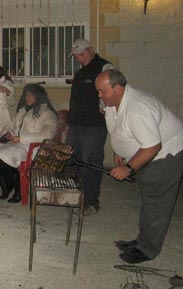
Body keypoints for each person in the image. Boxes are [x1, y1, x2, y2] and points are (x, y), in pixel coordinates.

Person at [96, 69, 183, 264]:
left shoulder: (138, 108)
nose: (99, 96)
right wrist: (119, 152)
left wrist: (129, 168)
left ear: (117, 88)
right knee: (148, 200)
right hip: (147, 155)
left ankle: (148, 249)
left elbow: (153, 146)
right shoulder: (113, 102)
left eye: (102, 91)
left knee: (156, 204)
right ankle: (142, 240)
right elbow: (116, 129)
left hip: (166, 155)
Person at [0, 84, 57, 203]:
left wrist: (21, 138)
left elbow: (47, 135)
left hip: (30, 147)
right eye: (26, 95)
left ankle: (18, 188)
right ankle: (6, 184)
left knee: (2, 158)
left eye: (31, 95)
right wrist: (7, 133)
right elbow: (10, 125)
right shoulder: (22, 110)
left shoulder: (47, 113)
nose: (28, 98)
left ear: (39, 97)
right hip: (15, 144)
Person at [67, 38, 114, 216]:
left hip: (94, 125)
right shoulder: (81, 73)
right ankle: (78, 197)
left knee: (91, 162)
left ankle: (91, 202)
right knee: (74, 161)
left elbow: (112, 90)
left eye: (81, 54)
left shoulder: (104, 67)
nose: (79, 58)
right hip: (77, 124)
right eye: (76, 55)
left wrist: (105, 109)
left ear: (90, 50)